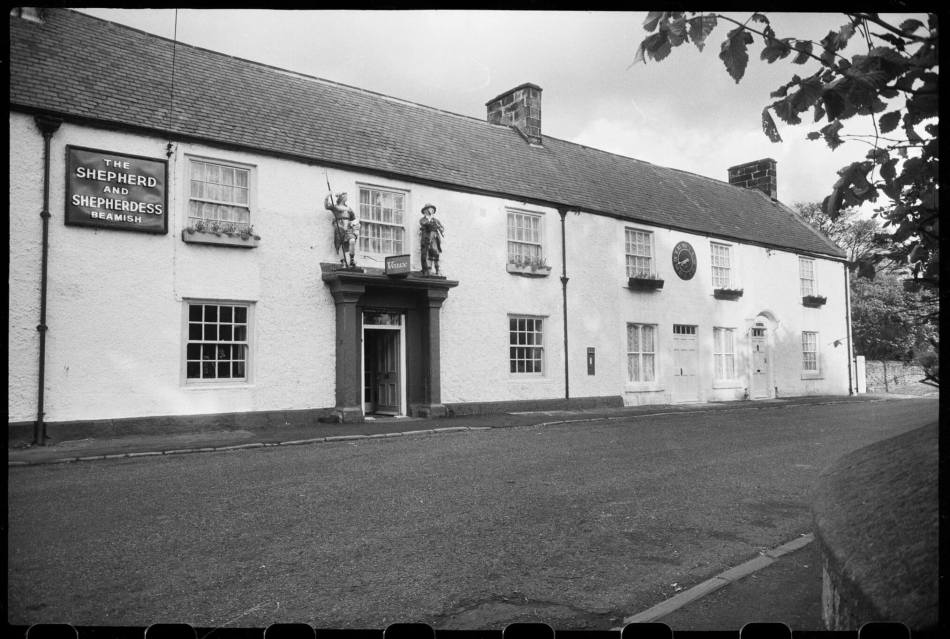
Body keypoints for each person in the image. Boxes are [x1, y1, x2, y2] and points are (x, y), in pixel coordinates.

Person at [325, 192, 358, 267]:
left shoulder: (349, 209)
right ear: (341, 198)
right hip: (339, 226)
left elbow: (354, 219)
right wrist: (327, 196)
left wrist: (355, 229)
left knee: (352, 240)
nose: (346, 198)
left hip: (348, 227)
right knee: (340, 244)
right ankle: (342, 261)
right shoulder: (335, 207)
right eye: (345, 196)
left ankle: (352, 259)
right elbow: (326, 206)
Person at [419, 203, 444, 275]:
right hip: (426, 238)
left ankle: (437, 269)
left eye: (433, 209)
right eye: (430, 209)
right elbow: (425, 224)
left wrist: (440, 228)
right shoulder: (423, 219)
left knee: (435, 252)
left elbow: (441, 227)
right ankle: (428, 270)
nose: (431, 211)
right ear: (425, 211)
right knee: (427, 253)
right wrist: (432, 224)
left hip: (434, 238)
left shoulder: (436, 220)